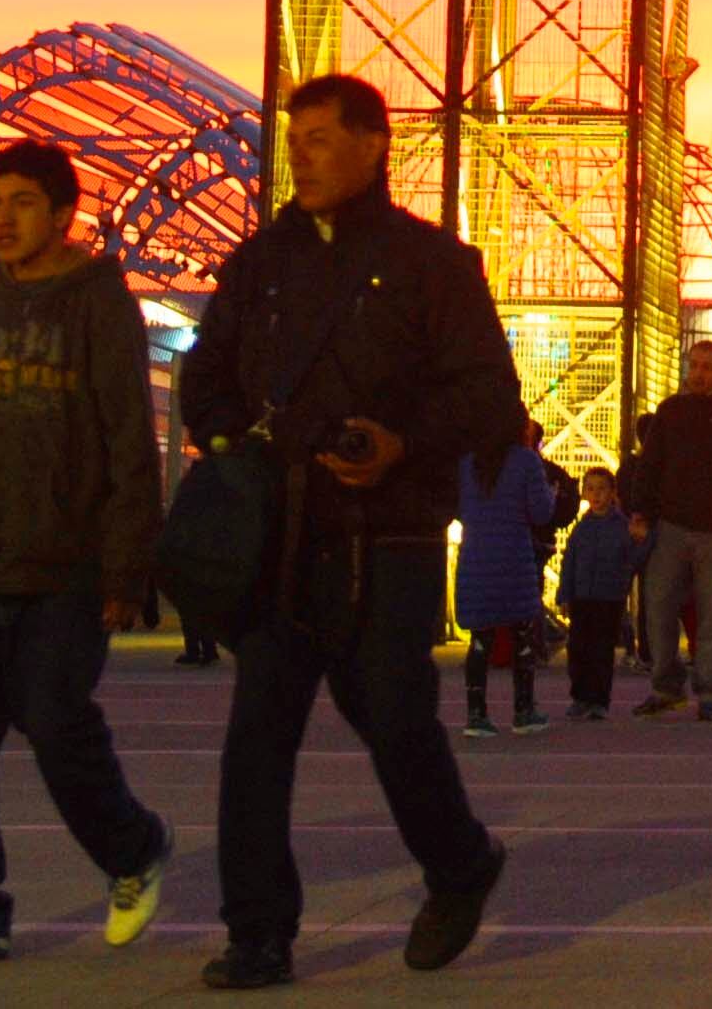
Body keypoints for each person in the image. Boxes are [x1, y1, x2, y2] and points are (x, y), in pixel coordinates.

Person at [172, 73, 521, 992]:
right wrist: (224, 441)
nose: (303, 158)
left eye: (322, 139)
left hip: (390, 536)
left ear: (375, 145)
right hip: (278, 538)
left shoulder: (434, 264)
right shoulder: (259, 264)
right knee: (258, 737)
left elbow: (490, 397)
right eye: (295, 142)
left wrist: (400, 442)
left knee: (395, 718)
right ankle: (258, 933)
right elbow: (202, 378)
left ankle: (460, 866)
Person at [0, 138, 174, 967]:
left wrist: (126, 563)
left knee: (56, 722)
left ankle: (134, 848)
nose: (3, 218)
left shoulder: (97, 304)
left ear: (61, 213)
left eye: (21, 202)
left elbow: (129, 434)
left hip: (65, 566)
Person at [620, 337, 712, 722]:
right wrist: (641, 512)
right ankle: (666, 686)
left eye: (706, 366)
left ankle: (711, 692)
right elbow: (651, 463)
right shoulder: (671, 410)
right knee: (659, 604)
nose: (698, 373)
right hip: (672, 526)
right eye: (694, 365)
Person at [453, 418, 569, 738]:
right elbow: (542, 512)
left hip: (476, 556)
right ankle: (523, 711)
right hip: (515, 557)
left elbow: (459, 509)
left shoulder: (467, 464)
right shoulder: (525, 461)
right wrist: (551, 493)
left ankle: (476, 715)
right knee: (522, 634)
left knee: (480, 639)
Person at [554, 465, 635, 719]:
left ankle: (599, 700)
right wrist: (564, 594)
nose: (596, 494)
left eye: (602, 489)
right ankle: (580, 696)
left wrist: (622, 584)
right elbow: (569, 562)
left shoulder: (622, 526)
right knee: (578, 649)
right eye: (590, 489)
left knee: (602, 650)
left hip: (608, 598)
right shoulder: (582, 528)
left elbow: (631, 559)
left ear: (612, 492)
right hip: (581, 597)